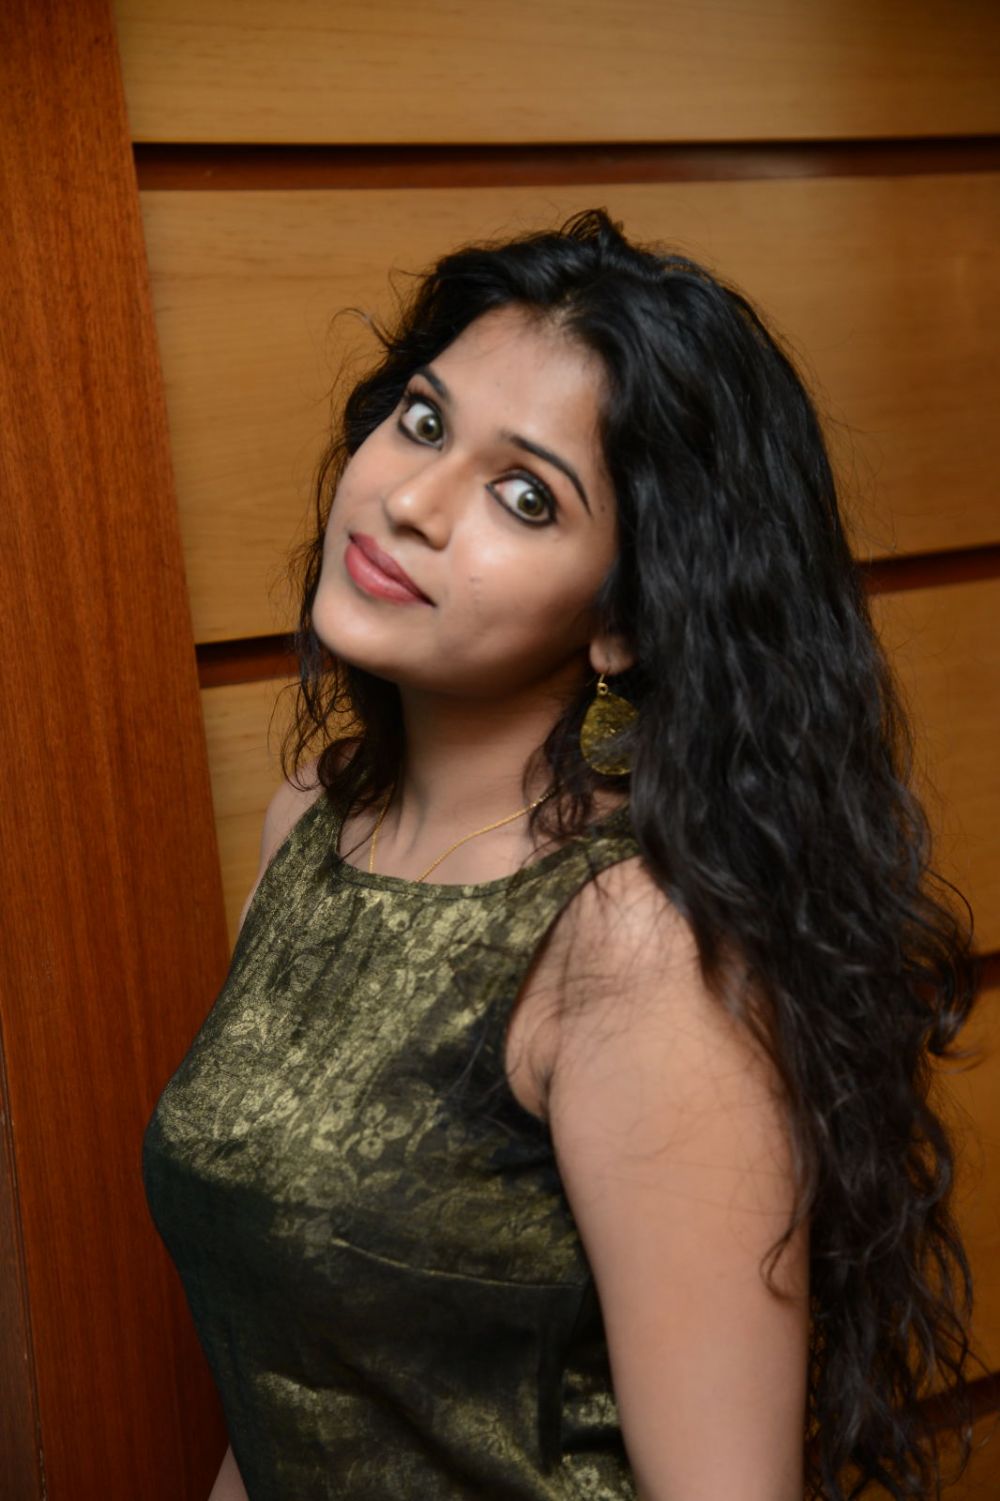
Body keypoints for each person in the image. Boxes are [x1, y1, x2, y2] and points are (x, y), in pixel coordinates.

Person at [142, 207, 981, 1501]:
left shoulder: (631, 946)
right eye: (424, 421)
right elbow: (291, 1393)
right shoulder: (310, 820)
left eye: (525, 495)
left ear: (625, 621)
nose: (410, 501)